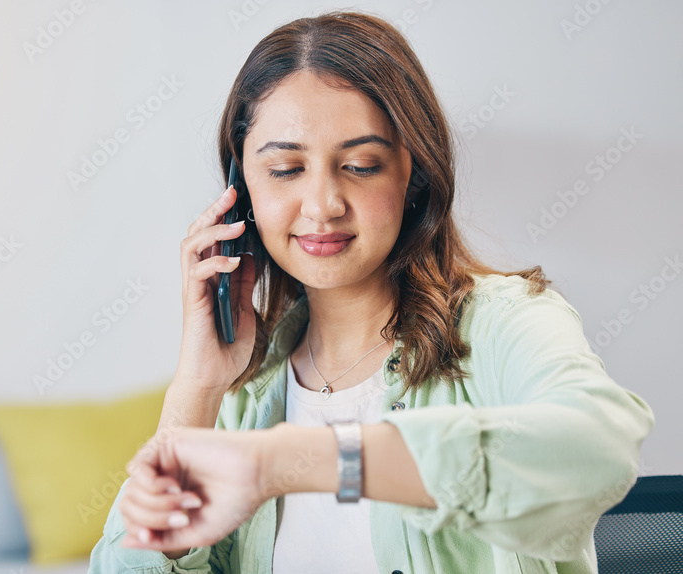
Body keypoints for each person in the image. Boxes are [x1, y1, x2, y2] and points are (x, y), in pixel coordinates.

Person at [87, 9, 654, 574]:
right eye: (285, 169)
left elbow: (599, 449)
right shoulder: (248, 387)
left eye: (360, 165)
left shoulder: (506, 322)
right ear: (243, 191)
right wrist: (197, 388)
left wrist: (309, 462)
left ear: (413, 172)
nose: (322, 205)